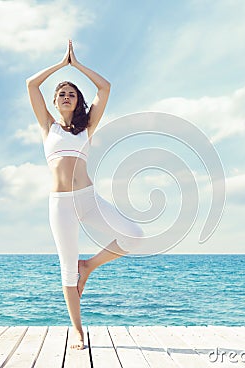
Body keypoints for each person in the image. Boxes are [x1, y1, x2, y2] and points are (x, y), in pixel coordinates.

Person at [26, 40, 144, 350]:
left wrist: (76, 65)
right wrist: (59, 64)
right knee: (66, 269)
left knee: (134, 234)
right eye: (62, 93)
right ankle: (78, 331)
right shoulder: (47, 127)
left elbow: (105, 89)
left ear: (78, 103)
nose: (66, 96)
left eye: (72, 94)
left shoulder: (86, 128)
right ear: (54, 102)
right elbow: (31, 84)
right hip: (60, 205)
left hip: (88, 199)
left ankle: (89, 266)